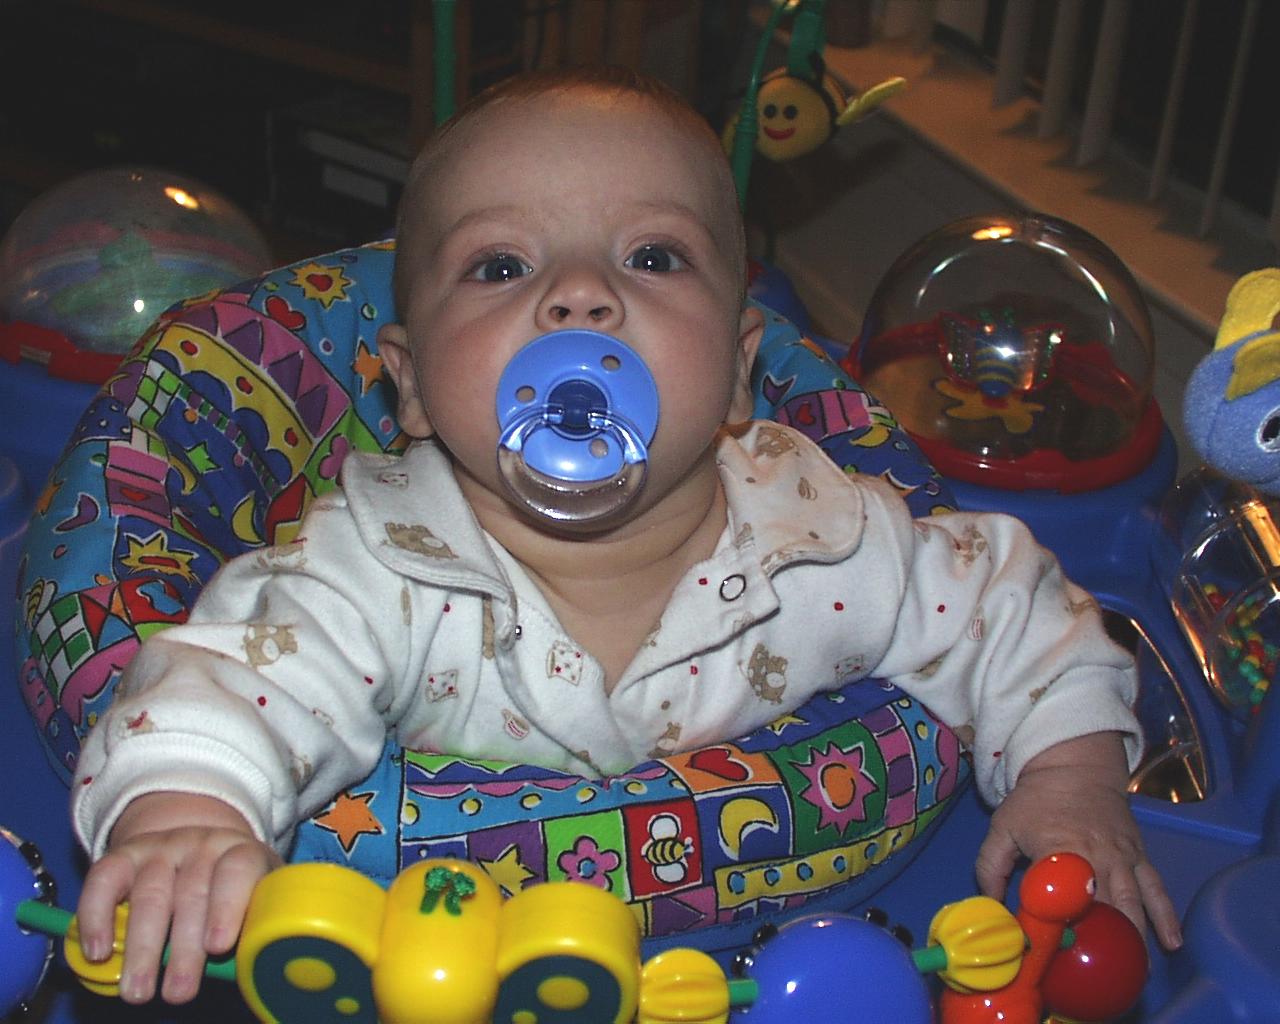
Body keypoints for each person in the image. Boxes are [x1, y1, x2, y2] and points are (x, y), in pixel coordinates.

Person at [71, 65, 1181, 1006]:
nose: (579, 298)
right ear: (408, 386)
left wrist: (1068, 774)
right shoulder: (378, 567)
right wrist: (186, 815)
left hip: (776, 964)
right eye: (501, 266)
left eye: (651, 256)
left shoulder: (819, 538)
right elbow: (229, 687)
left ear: (739, 371)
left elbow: (1008, 604)